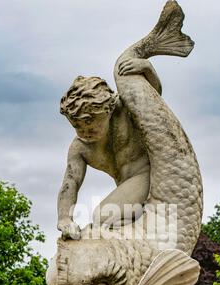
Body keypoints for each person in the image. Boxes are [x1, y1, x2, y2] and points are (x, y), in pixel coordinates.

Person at [57, 58, 162, 240]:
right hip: (128, 191)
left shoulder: (125, 114)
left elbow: (154, 103)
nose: (85, 133)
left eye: (91, 127)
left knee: (103, 215)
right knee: (110, 222)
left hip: (152, 177)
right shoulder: (80, 148)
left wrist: (148, 70)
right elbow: (70, 182)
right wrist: (65, 218)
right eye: (78, 128)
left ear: (108, 111)